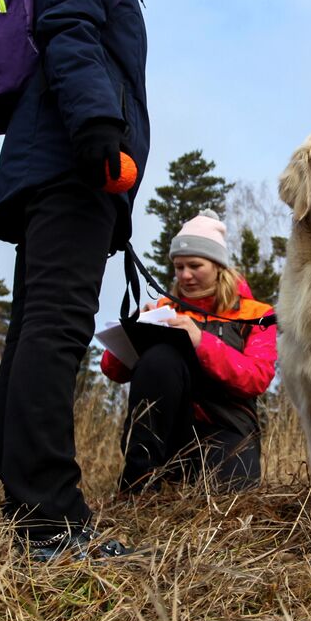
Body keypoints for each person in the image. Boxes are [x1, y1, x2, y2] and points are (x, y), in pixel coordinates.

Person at [0, 0, 180, 562]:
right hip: (74, 166)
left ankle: (25, 501)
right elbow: (70, 25)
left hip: (53, 164)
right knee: (57, 330)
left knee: (35, 329)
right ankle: (51, 521)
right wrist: (100, 127)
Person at [102, 211, 275, 494]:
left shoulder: (257, 315)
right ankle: (138, 483)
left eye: (195, 265)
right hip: (170, 432)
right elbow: (112, 370)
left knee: (231, 494)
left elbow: (257, 377)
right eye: (178, 266)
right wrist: (136, 329)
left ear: (218, 266)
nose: (185, 275)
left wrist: (200, 340)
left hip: (228, 428)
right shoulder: (164, 310)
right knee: (159, 358)